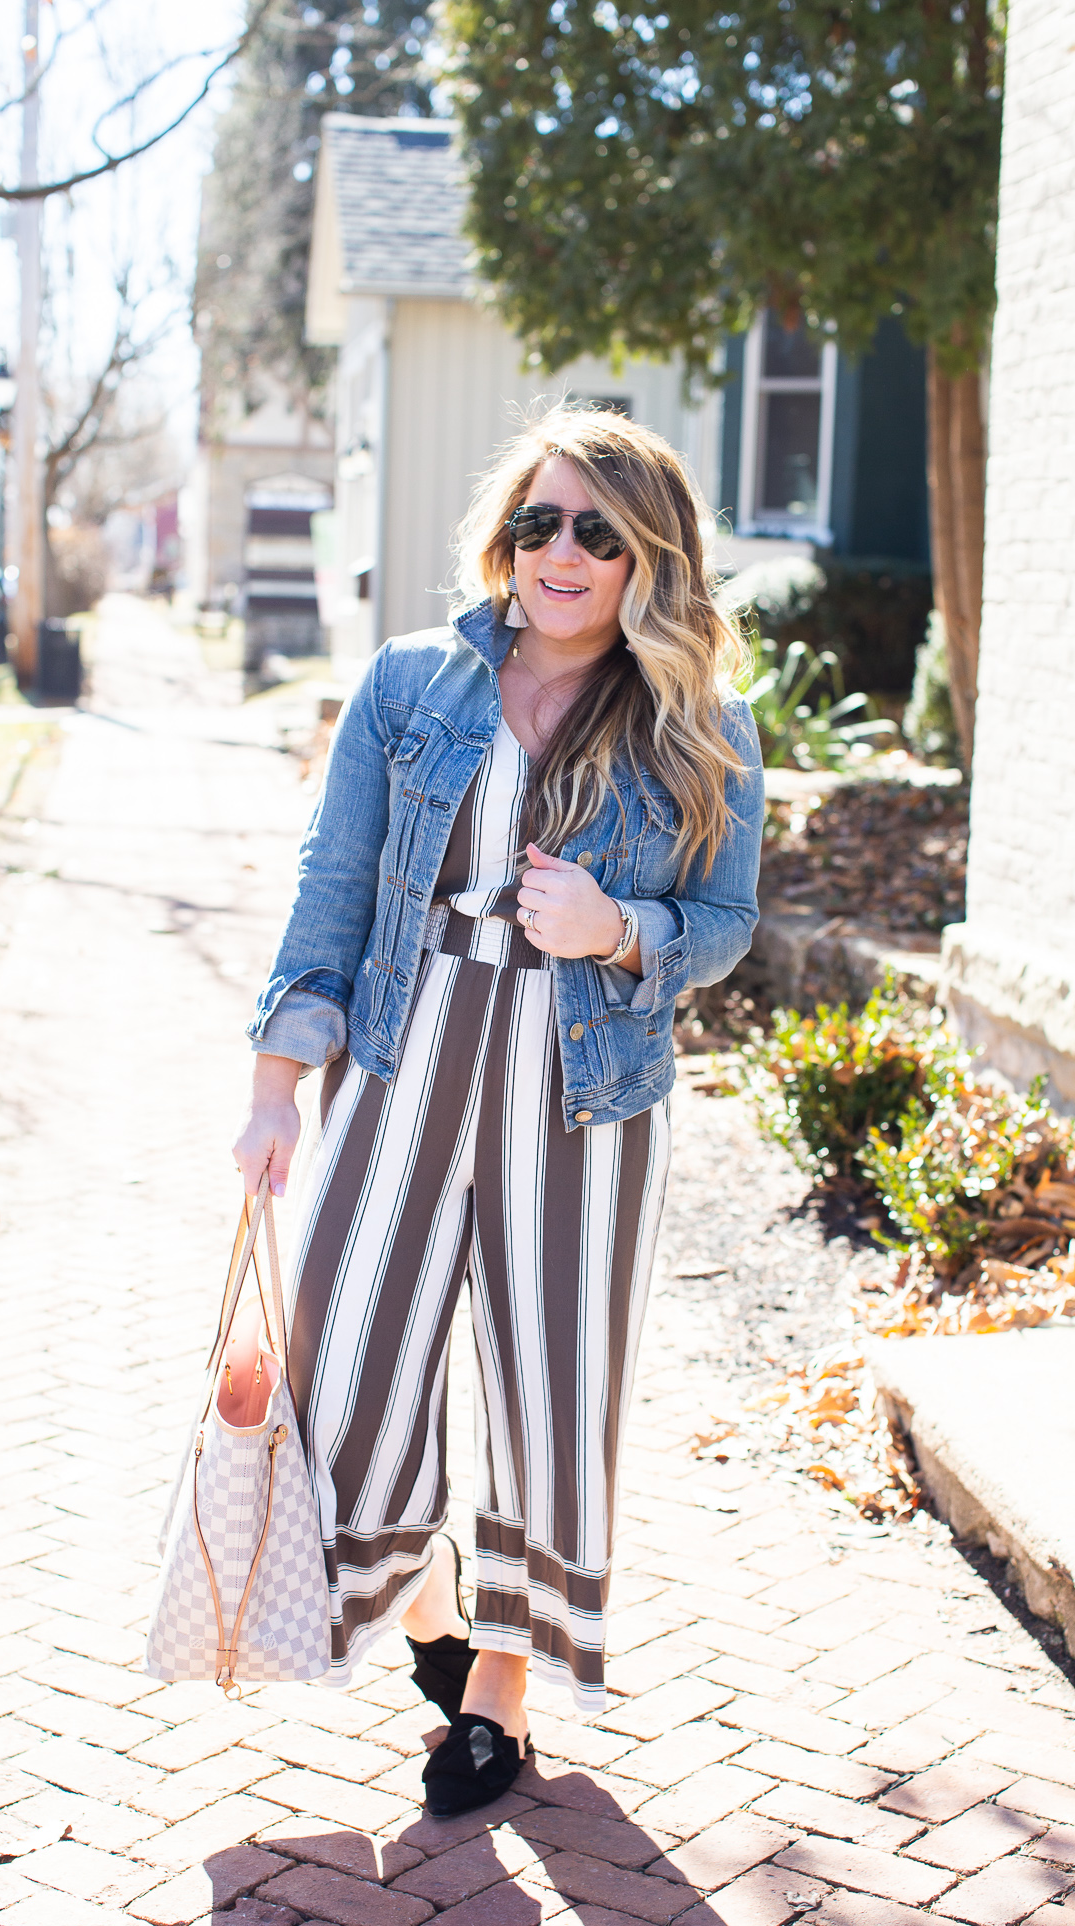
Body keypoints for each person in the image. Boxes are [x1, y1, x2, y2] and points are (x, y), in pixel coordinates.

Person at [233, 405, 765, 1816]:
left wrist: (619, 926)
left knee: (549, 1397)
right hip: (403, 1063)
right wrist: (276, 1082)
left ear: (650, 554)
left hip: (583, 1096)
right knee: (338, 1382)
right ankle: (428, 1620)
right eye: (539, 522)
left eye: (597, 529)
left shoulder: (699, 722)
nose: (562, 553)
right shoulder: (410, 684)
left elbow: (724, 925)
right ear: (504, 538)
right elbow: (332, 890)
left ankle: (502, 1692)